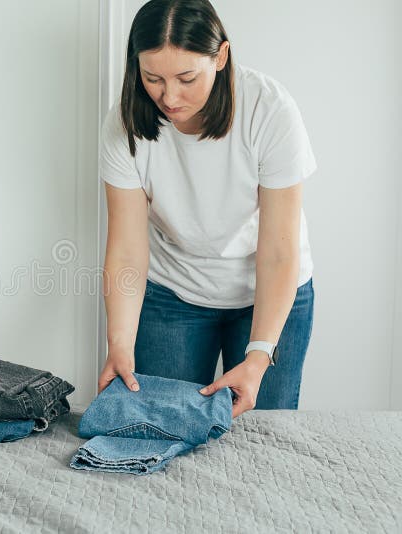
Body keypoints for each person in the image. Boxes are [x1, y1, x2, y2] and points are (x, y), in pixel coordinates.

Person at [96, 0, 316, 419]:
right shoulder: (124, 125)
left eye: (186, 78)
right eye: (153, 78)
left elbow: (278, 250)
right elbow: (126, 247)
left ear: (221, 57)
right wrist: (119, 343)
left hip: (266, 291)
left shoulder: (269, 110)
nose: (169, 96)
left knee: (261, 440)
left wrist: (259, 355)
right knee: (164, 426)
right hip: (174, 293)